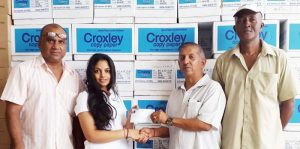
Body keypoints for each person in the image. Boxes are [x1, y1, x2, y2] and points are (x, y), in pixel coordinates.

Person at [212, 4, 300, 149]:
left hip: (266, 144)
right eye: (241, 20)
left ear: (261, 25)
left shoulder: (279, 59)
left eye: (252, 19)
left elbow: (289, 103)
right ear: (235, 28)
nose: (246, 23)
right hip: (232, 143)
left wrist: (272, 133)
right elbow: (216, 105)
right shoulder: (223, 61)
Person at [0, 23, 83, 148]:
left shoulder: (74, 77)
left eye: (61, 42)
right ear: (39, 43)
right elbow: (12, 111)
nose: (56, 46)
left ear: (65, 46)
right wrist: (18, 145)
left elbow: (80, 115)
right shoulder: (23, 70)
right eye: (50, 41)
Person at [139, 42, 226, 149]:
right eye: (182, 58)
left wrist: (168, 120)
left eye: (191, 57)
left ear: (203, 63)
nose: (186, 61)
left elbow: (205, 124)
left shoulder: (213, 88)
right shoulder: (175, 94)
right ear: (179, 64)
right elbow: (170, 128)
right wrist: (153, 132)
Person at [74, 53, 146, 149]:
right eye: (97, 71)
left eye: (107, 71)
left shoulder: (116, 97)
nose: (103, 75)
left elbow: (124, 130)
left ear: (112, 73)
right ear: (91, 73)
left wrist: (130, 117)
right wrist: (127, 132)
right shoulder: (84, 97)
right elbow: (91, 135)